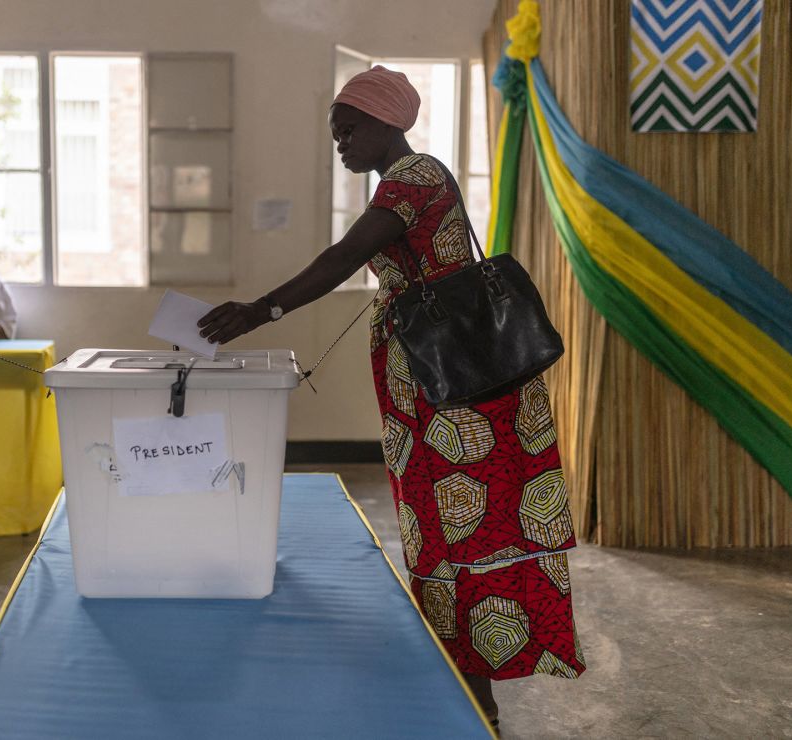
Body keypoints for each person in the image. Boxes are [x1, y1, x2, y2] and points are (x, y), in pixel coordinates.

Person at [198, 66, 584, 730]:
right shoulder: (402, 184)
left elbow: (343, 257)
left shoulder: (416, 177)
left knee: (465, 530)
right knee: (442, 526)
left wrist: (260, 309)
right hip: (437, 381)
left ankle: (474, 690)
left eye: (349, 130)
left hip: (458, 391)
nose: (342, 143)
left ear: (385, 123)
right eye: (336, 133)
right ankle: (462, 675)